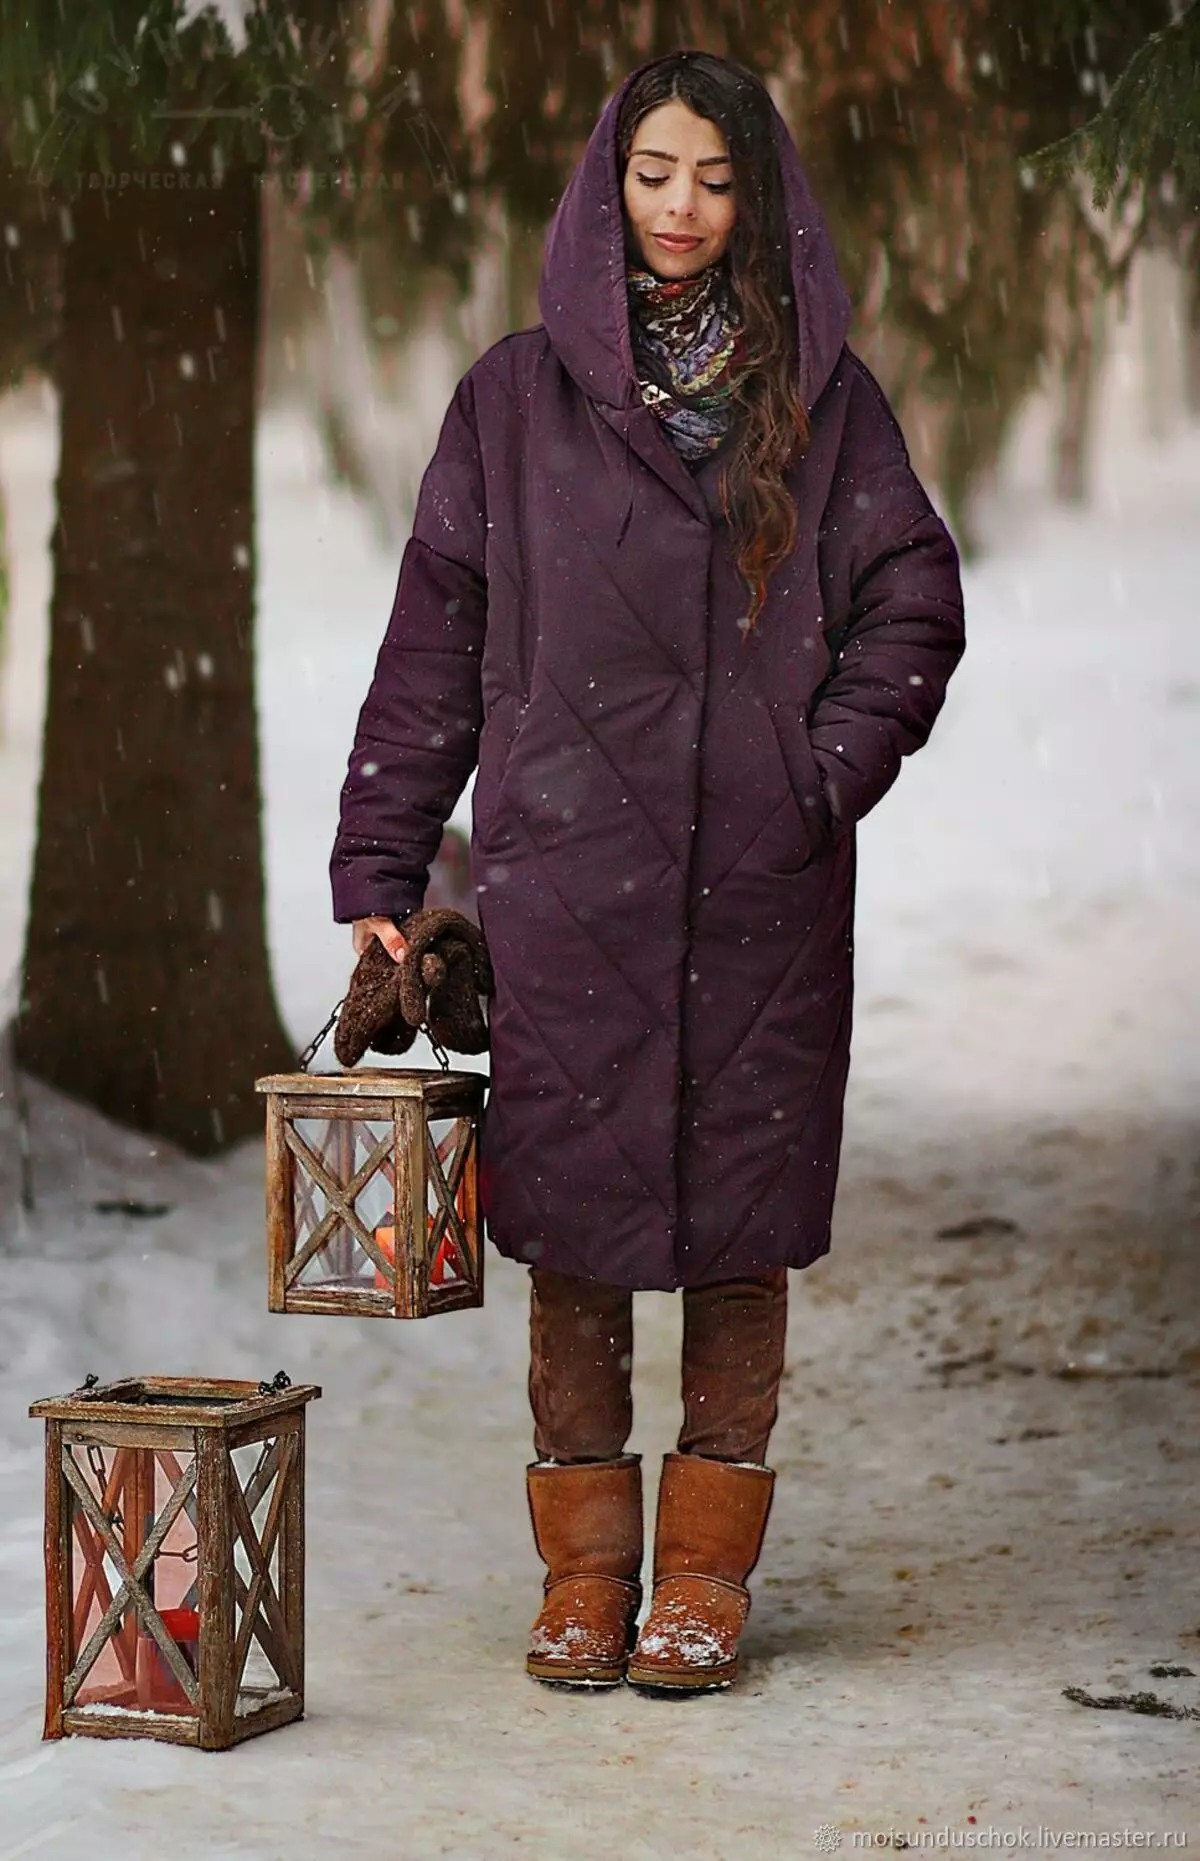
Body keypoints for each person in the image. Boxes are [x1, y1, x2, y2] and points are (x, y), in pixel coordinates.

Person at [330, 48, 966, 1693]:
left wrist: (813, 781)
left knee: (740, 1234)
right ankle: (584, 1580)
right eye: (654, 173)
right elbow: (434, 642)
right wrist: (384, 862)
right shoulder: (509, 399)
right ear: (607, 185)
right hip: (572, 886)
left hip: (760, 888)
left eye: (716, 179)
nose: (681, 209)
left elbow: (914, 600)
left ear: (761, 202)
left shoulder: (828, 401)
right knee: (578, 1235)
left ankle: (703, 1580)